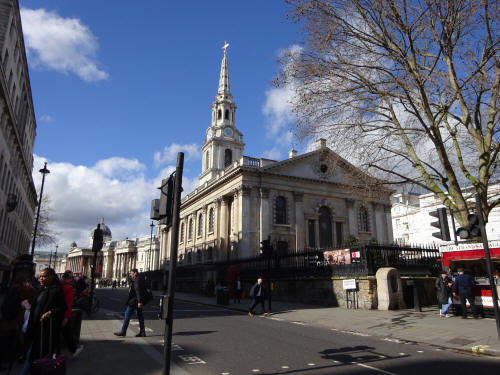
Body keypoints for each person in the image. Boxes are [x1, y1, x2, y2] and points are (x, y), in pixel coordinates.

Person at [21, 268, 66, 375]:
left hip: (45, 331)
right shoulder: (41, 290)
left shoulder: (56, 290)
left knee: (35, 357)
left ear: (51, 277)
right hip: (34, 328)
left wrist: (50, 312)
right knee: (32, 356)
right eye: (40, 276)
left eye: (44, 276)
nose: (41, 278)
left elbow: (63, 307)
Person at [114, 269, 147, 337]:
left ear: (135, 273)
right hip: (136, 300)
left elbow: (137, 290)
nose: (130, 275)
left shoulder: (137, 280)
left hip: (134, 301)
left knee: (127, 315)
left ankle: (123, 331)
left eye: (131, 273)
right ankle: (142, 332)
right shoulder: (139, 278)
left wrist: (139, 301)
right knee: (140, 316)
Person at [60, 270, 84, 358]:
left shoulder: (58, 286)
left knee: (63, 333)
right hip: (63, 314)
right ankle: (73, 349)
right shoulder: (69, 288)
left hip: (55, 313)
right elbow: (68, 304)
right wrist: (66, 316)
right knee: (67, 332)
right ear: (70, 279)